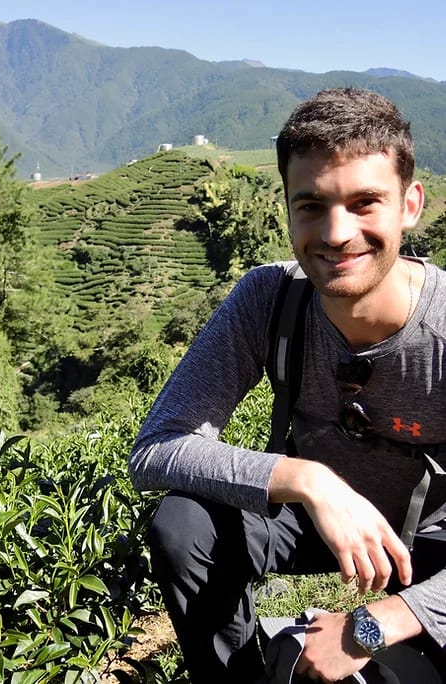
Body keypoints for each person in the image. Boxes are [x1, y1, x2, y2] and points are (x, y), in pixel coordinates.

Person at [129, 88, 446, 682]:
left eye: (364, 203)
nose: (335, 233)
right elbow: (158, 447)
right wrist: (309, 480)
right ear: (288, 210)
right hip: (316, 519)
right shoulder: (270, 299)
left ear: (410, 205)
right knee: (184, 524)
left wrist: (374, 624)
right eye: (312, 205)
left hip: (432, 539)